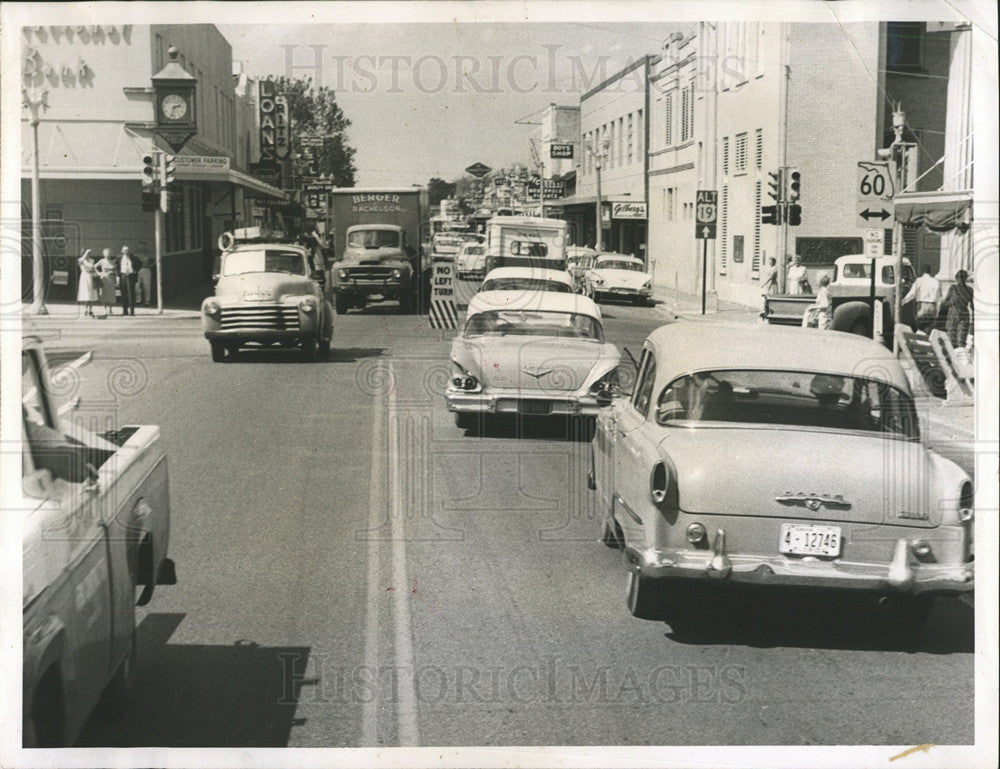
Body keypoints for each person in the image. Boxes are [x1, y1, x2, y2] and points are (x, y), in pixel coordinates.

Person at [902, 263, 941, 333]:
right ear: (930, 271)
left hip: (922, 306)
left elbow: (912, 294)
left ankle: (921, 340)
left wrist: (902, 302)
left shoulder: (919, 281)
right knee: (931, 327)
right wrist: (938, 311)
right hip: (932, 306)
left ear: (921, 271)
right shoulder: (936, 281)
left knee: (921, 326)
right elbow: (938, 299)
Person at [943, 269, 973, 348]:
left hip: (964, 315)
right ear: (956, 278)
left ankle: (961, 358)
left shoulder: (970, 290)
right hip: (953, 314)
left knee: (961, 340)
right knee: (951, 339)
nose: (961, 279)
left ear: (966, 278)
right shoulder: (953, 288)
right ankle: (951, 358)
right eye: (960, 277)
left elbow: (973, 307)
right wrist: (951, 302)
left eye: (963, 277)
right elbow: (944, 303)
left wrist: (973, 323)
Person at [76, 249, 99, 317]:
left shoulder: (92, 260)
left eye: (89, 253)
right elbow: (80, 261)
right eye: (87, 253)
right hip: (84, 276)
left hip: (91, 276)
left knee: (91, 293)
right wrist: (85, 254)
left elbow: (93, 268)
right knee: (85, 293)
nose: (88, 254)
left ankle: (90, 310)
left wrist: (96, 273)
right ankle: (85, 309)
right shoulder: (81, 259)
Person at [95, 248, 117, 316]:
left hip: (111, 279)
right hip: (104, 278)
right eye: (106, 253)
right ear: (104, 254)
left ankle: (110, 309)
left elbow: (116, 271)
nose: (108, 255)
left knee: (111, 294)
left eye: (109, 253)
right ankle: (104, 309)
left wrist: (113, 274)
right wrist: (99, 273)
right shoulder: (101, 261)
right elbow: (94, 266)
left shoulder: (113, 261)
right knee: (104, 293)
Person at [117, 244, 137, 316]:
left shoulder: (132, 257)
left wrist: (135, 270)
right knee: (123, 294)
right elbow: (116, 265)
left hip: (130, 276)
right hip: (123, 276)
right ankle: (125, 311)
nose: (126, 252)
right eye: (125, 250)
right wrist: (119, 274)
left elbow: (139, 263)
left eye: (127, 250)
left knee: (131, 294)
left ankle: (132, 311)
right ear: (122, 251)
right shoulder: (119, 257)